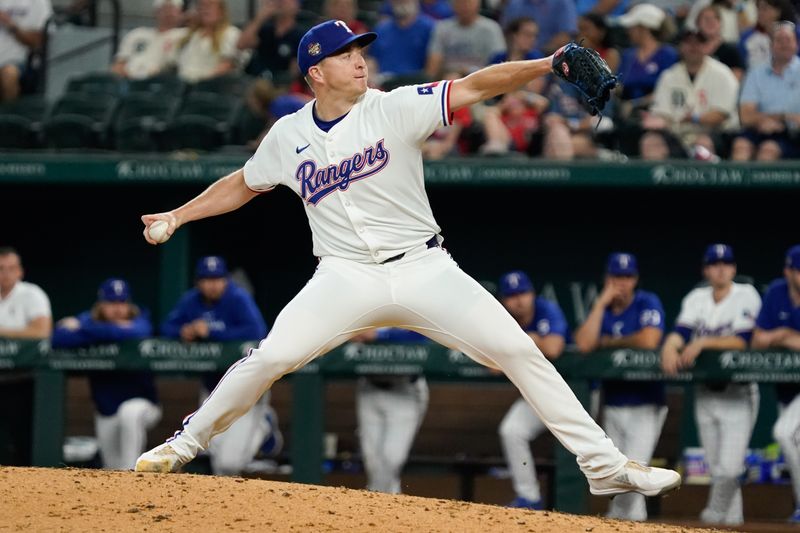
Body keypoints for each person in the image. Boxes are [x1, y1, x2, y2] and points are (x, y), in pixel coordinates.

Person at [134, 20, 682, 503]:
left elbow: (475, 85)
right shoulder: (288, 134)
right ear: (315, 73)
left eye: (361, 50)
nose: (359, 59)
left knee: (519, 349)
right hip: (344, 275)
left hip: (425, 269)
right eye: (346, 54)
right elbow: (243, 183)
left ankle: (605, 467)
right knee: (270, 357)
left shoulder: (394, 106)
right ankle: (184, 444)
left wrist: (548, 63)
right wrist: (179, 216)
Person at [661, 244, 761, 526]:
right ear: (706, 270)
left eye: (726, 263)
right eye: (715, 264)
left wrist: (703, 342)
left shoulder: (746, 295)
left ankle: (713, 516)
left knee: (730, 469)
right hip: (706, 393)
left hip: (738, 393)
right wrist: (670, 346)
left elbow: (743, 341)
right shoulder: (697, 297)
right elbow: (680, 332)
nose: (721, 268)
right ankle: (732, 523)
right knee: (718, 470)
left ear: (734, 269)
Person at [161, 256, 281, 476]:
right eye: (207, 279)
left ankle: (264, 426)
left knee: (230, 463)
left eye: (217, 279)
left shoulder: (238, 298)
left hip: (246, 389)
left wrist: (212, 333)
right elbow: (166, 327)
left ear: (225, 280)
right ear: (198, 282)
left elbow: (257, 332)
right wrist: (184, 331)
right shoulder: (191, 300)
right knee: (218, 463)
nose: (212, 284)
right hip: (212, 389)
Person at [574, 253, 666, 521]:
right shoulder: (603, 309)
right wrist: (601, 303)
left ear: (635, 279)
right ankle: (622, 523)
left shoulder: (647, 302)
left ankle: (624, 524)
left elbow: (650, 340)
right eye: (617, 277)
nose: (622, 283)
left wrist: (610, 342)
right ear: (607, 279)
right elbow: (583, 344)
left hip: (646, 403)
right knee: (619, 473)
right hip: (613, 404)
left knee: (633, 473)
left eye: (627, 277)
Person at [51, 279, 161, 470]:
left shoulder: (140, 319)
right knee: (111, 468)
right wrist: (109, 330)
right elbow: (58, 337)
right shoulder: (89, 320)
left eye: (122, 302)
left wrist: (84, 329)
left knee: (130, 413)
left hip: (144, 405)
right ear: (101, 305)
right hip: (106, 409)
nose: (118, 309)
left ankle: (134, 475)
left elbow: (139, 330)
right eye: (111, 303)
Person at [495, 271, 568, 510]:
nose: (519, 300)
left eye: (523, 293)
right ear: (504, 300)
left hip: (570, 392)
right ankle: (530, 498)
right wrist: (532, 339)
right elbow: (493, 365)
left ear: (532, 294)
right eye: (512, 295)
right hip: (538, 394)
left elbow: (554, 348)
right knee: (511, 430)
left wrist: (517, 344)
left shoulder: (547, 310)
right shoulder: (499, 318)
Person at [751, 244, 800, 524]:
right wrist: (785, 335)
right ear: (789, 271)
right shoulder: (776, 292)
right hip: (788, 392)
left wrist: (781, 334)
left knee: (784, 433)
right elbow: (758, 341)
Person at [350, 328, 429, 493]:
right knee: (372, 461)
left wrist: (380, 336)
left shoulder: (410, 306)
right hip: (369, 387)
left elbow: (423, 335)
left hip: (404, 389)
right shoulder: (367, 307)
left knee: (392, 458)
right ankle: (386, 506)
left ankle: (377, 506)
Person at [644, 28, 740, 158]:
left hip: (715, 134)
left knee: (702, 145)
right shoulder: (669, 75)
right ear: (681, 47)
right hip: (677, 134)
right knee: (651, 142)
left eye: (698, 43)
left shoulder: (723, 74)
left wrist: (695, 118)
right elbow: (662, 113)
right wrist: (654, 120)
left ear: (707, 46)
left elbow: (721, 115)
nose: (693, 47)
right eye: (688, 43)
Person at [732, 21, 800, 161]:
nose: (784, 44)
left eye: (788, 40)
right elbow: (746, 116)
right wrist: (765, 120)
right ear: (771, 45)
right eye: (779, 40)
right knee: (741, 146)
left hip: (793, 135)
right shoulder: (756, 73)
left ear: (797, 45)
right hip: (760, 128)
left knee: (768, 150)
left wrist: (781, 120)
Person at [425, 0, 506, 78]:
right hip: (448, 77)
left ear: (478, 4)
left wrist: (468, 71)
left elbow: (498, 63)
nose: (464, 6)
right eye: (460, 2)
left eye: (468, 2)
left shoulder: (491, 28)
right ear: (453, 5)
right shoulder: (442, 28)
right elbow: (434, 63)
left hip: (480, 76)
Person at [111, 0, 185, 80]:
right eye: (164, 9)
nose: (168, 13)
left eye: (172, 9)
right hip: (128, 82)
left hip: (160, 82)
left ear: (181, 13)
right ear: (155, 12)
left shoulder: (184, 34)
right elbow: (118, 64)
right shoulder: (137, 34)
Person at [172, 0, 243, 83]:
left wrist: (201, 81)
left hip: (210, 86)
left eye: (210, 5)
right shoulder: (188, 35)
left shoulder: (231, 34)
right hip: (182, 84)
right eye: (201, 6)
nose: (205, 9)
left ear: (221, 11)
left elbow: (227, 65)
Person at [0, 0, 52, 102]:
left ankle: (9, 116)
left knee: (9, 74)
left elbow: (38, 40)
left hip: (20, 61)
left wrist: (10, 25)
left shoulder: (39, 3)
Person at [238, 0, 304, 81]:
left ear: (296, 5)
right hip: (254, 79)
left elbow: (294, 73)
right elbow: (241, 44)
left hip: (279, 83)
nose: (280, 3)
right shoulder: (265, 28)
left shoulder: (300, 35)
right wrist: (260, 17)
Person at [369, 0, 436, 77]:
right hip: (384, 81)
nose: (401, 1)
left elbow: (432, 66)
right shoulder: (381, 29)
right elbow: (372, 60)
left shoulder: (430, 27)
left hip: (414, 82)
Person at [0, 247, 51, 339]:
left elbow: (42, 332)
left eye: (12, 268)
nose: (6, 273)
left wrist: (3, 332)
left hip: (26, 353)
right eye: (1, 268)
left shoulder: (33, 294)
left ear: (20, 271)